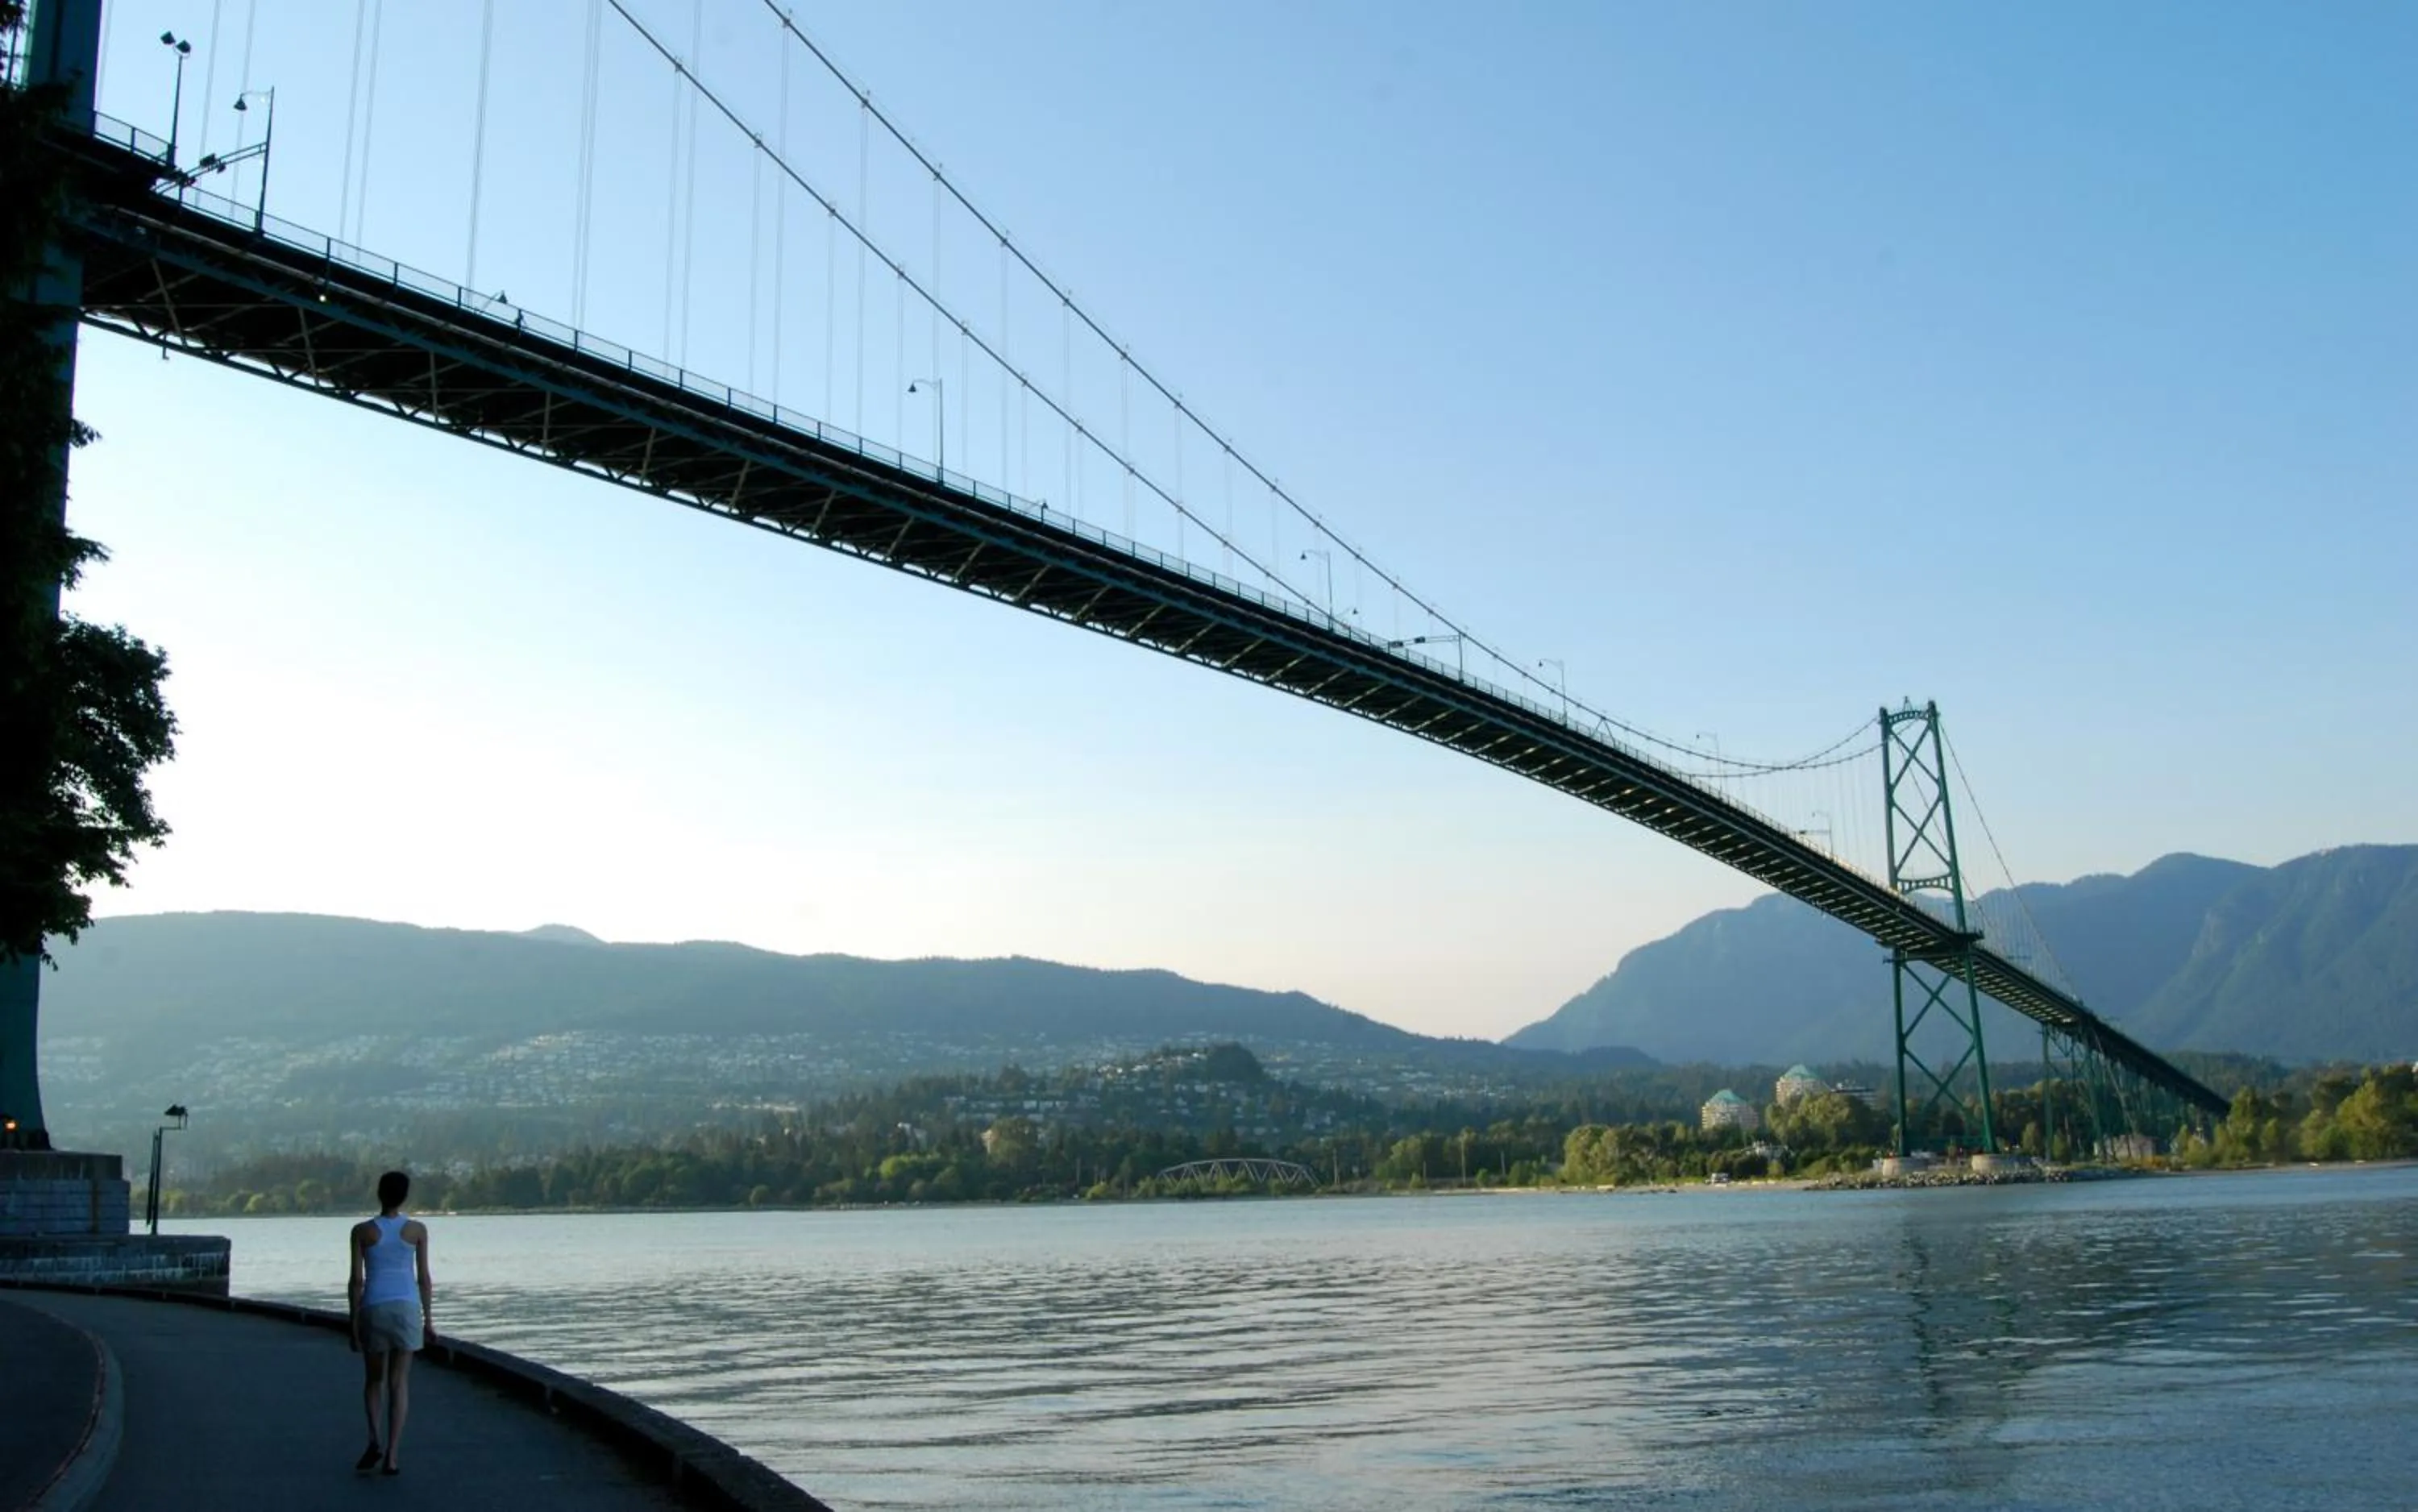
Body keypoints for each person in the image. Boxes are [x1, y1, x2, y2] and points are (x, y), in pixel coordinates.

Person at [347, 1169, 435, 1476]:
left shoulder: (362, 1232)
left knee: (374, 1381)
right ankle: (393, 1456)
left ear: (379, 1194)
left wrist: (353, 1322)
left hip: (374, 1307)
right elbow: (424, 1279)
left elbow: (356, 1282)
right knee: (400, 1383)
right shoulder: (417, 1230)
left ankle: (374, 1439)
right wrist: (429, 1320)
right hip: (407, 1308)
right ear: (405, 1196)